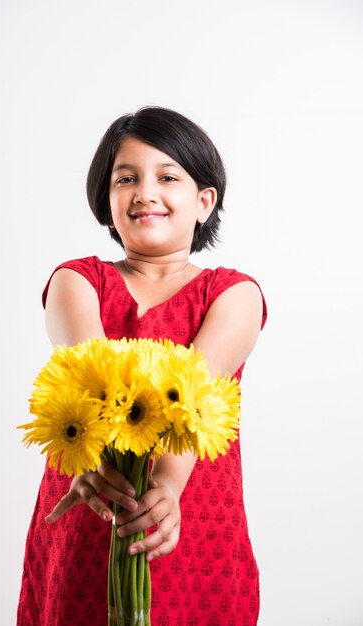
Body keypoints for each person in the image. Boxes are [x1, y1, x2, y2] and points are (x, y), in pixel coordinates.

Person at [17, 106, 267, 626]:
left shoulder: (235, 294)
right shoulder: (76, 281)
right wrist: (92, 467)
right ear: (107, 204)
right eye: (125, 178)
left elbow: (193, 395)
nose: (144, 192)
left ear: (204, 202)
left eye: (167, 176)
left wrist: (167, 488)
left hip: (193, 521)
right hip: (93, 506)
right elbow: (91, 381)